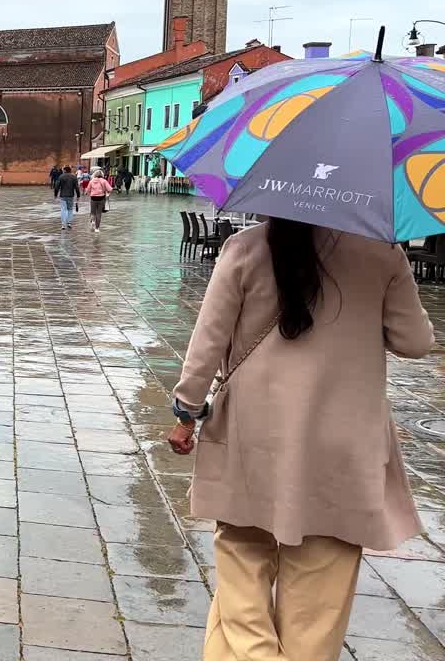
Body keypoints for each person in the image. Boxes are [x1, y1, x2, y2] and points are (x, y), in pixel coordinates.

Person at [168, 220, 434, 661]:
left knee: (241, 563)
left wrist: (187, 412)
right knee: (319, 599)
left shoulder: (247, 247)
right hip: (344, 444)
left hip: (251, 434)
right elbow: (416, 342)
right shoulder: (381, 253)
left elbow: (207, 343)